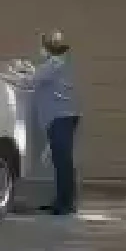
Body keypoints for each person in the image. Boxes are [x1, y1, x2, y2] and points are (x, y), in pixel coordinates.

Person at [32, 30, 81, 215]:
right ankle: (64, 200)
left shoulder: (54, 64)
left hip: (61, 117)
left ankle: (65, 204)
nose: (40, 50)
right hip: (65, 116)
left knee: (63, 162)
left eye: (42, 46)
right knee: (63, 161)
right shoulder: (61, 63)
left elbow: (32, 80)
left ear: (49, 47)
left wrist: (9, 75)